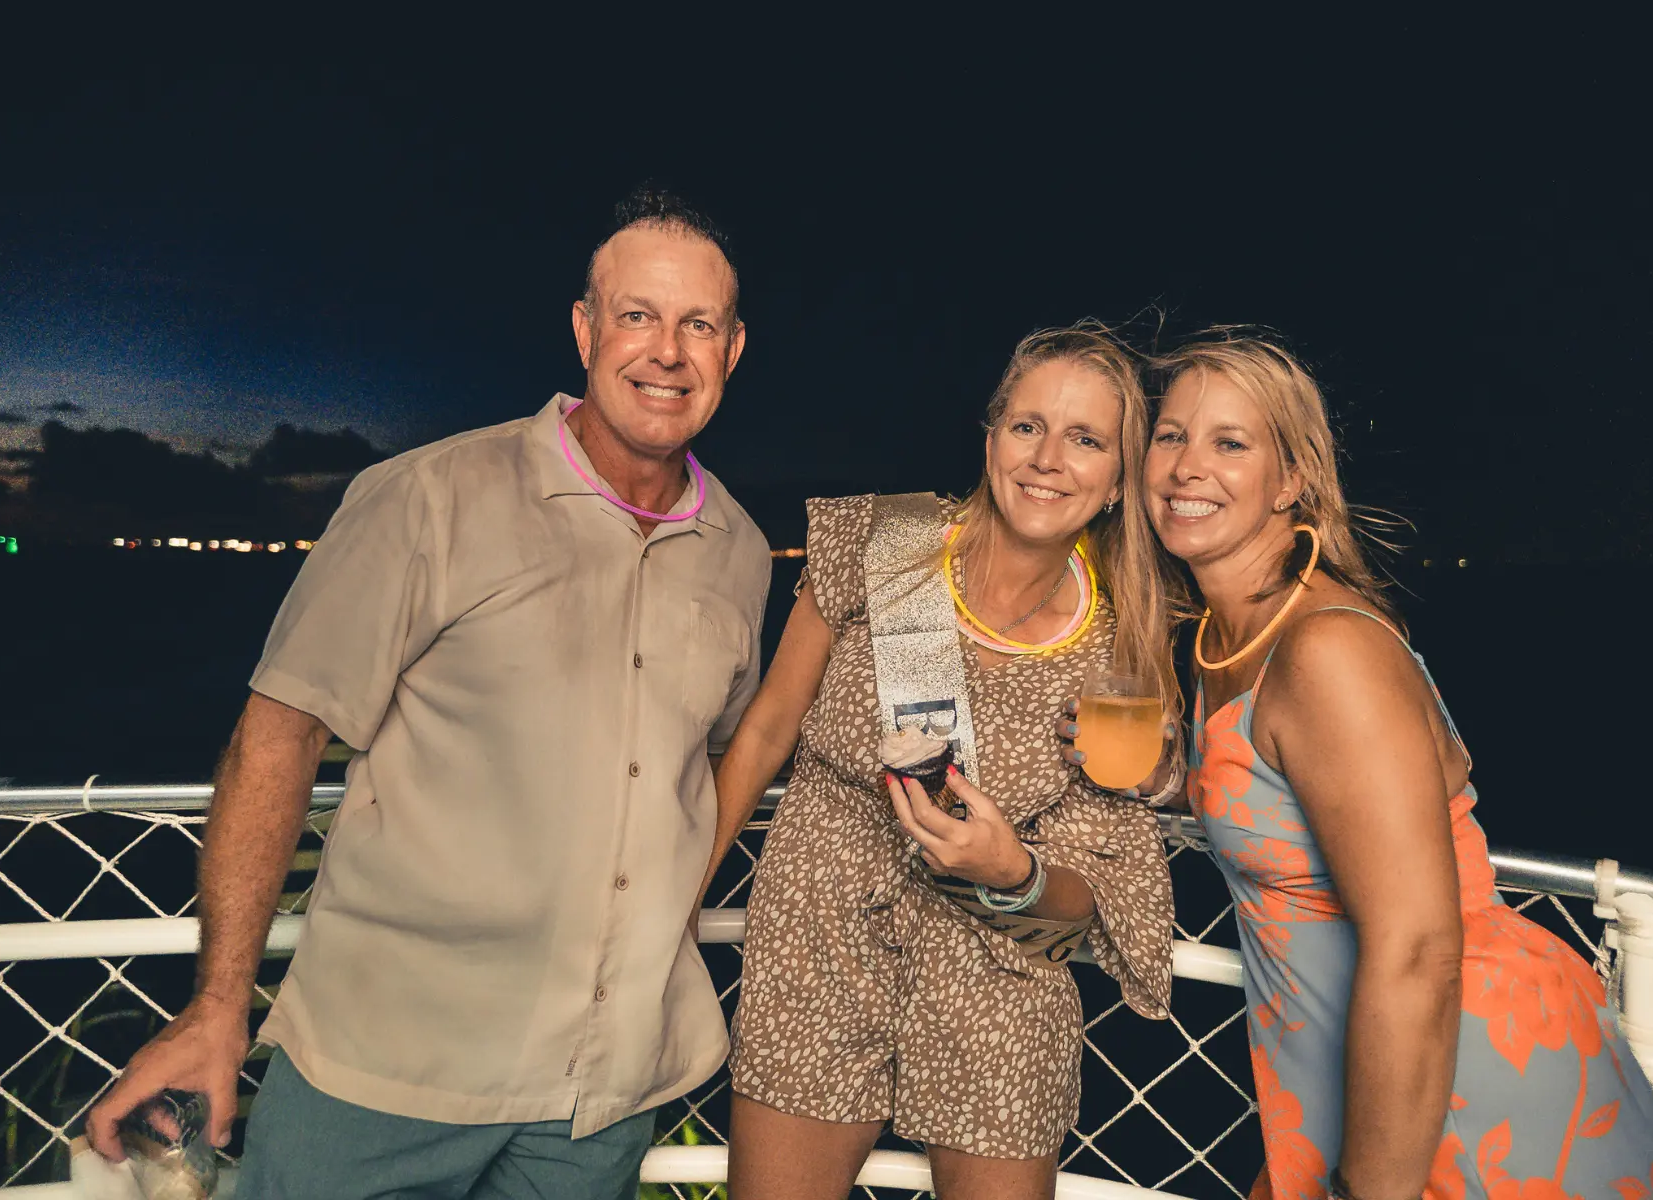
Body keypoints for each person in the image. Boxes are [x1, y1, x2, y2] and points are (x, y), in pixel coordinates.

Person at [85, 186, 772, 1200]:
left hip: (603, 1092)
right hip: (388, 1074)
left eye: (697, 324)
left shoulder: (744, 554)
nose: (667, 349)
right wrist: (217, 1007)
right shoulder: (426, 498)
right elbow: (276, 738)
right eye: (637, 315)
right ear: (585, 330)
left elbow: (706, 759)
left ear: (732, 349)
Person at [1128, 332, 1653, 1200]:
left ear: (1293, 482)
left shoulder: (1326, 651)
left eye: (1229, 442)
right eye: (1171, 435)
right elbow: (1284, 802)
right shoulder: (1222, 637)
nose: (1185, 466)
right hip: (1344, 1078)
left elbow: (1420, 946)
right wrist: (1171, 783)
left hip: (1463, 1083)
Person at [703, 325, 1182, 1200]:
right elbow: (767, 730)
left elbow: (1089, 904)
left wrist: (1017, 874)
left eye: (1086, 440)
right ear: (991, 434)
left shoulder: (1121, 647)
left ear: (1119, 481)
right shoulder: (886, 545)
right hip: (820, 940)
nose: (1047, 460)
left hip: (1000, 980)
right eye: (1027, 425)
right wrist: (677, 899)